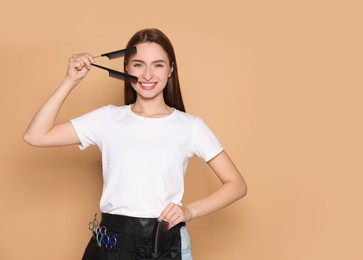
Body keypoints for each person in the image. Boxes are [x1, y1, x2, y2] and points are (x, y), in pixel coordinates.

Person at [23, 28, 247, 260]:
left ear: (171, 69)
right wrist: (70, 81)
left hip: (165, 242)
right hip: (112, 242)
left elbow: (237, 184)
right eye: (138, 64)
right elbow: (36, 136)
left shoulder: (190, 126)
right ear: (127, 69)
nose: (148, 74)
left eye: (158, 65)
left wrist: (189, 211)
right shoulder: (107, 119)